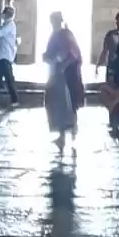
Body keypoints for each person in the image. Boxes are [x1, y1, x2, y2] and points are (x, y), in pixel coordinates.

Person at [43, 10, 85, 150]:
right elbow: (51, 52)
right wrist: (49, 58)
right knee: (57, 104)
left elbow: (73, 54)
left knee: (68, 103)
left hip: (67, 75)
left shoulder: (66, 34)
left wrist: (62, 64)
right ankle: (61, 134)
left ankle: (71, 130)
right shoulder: (55, 35)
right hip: (57, 74)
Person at [97, 10, 119, 135]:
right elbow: (105, 50)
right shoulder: (111, 35)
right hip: (112, 68)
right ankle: (112, 119)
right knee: (111, 95)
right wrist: (99, 64)